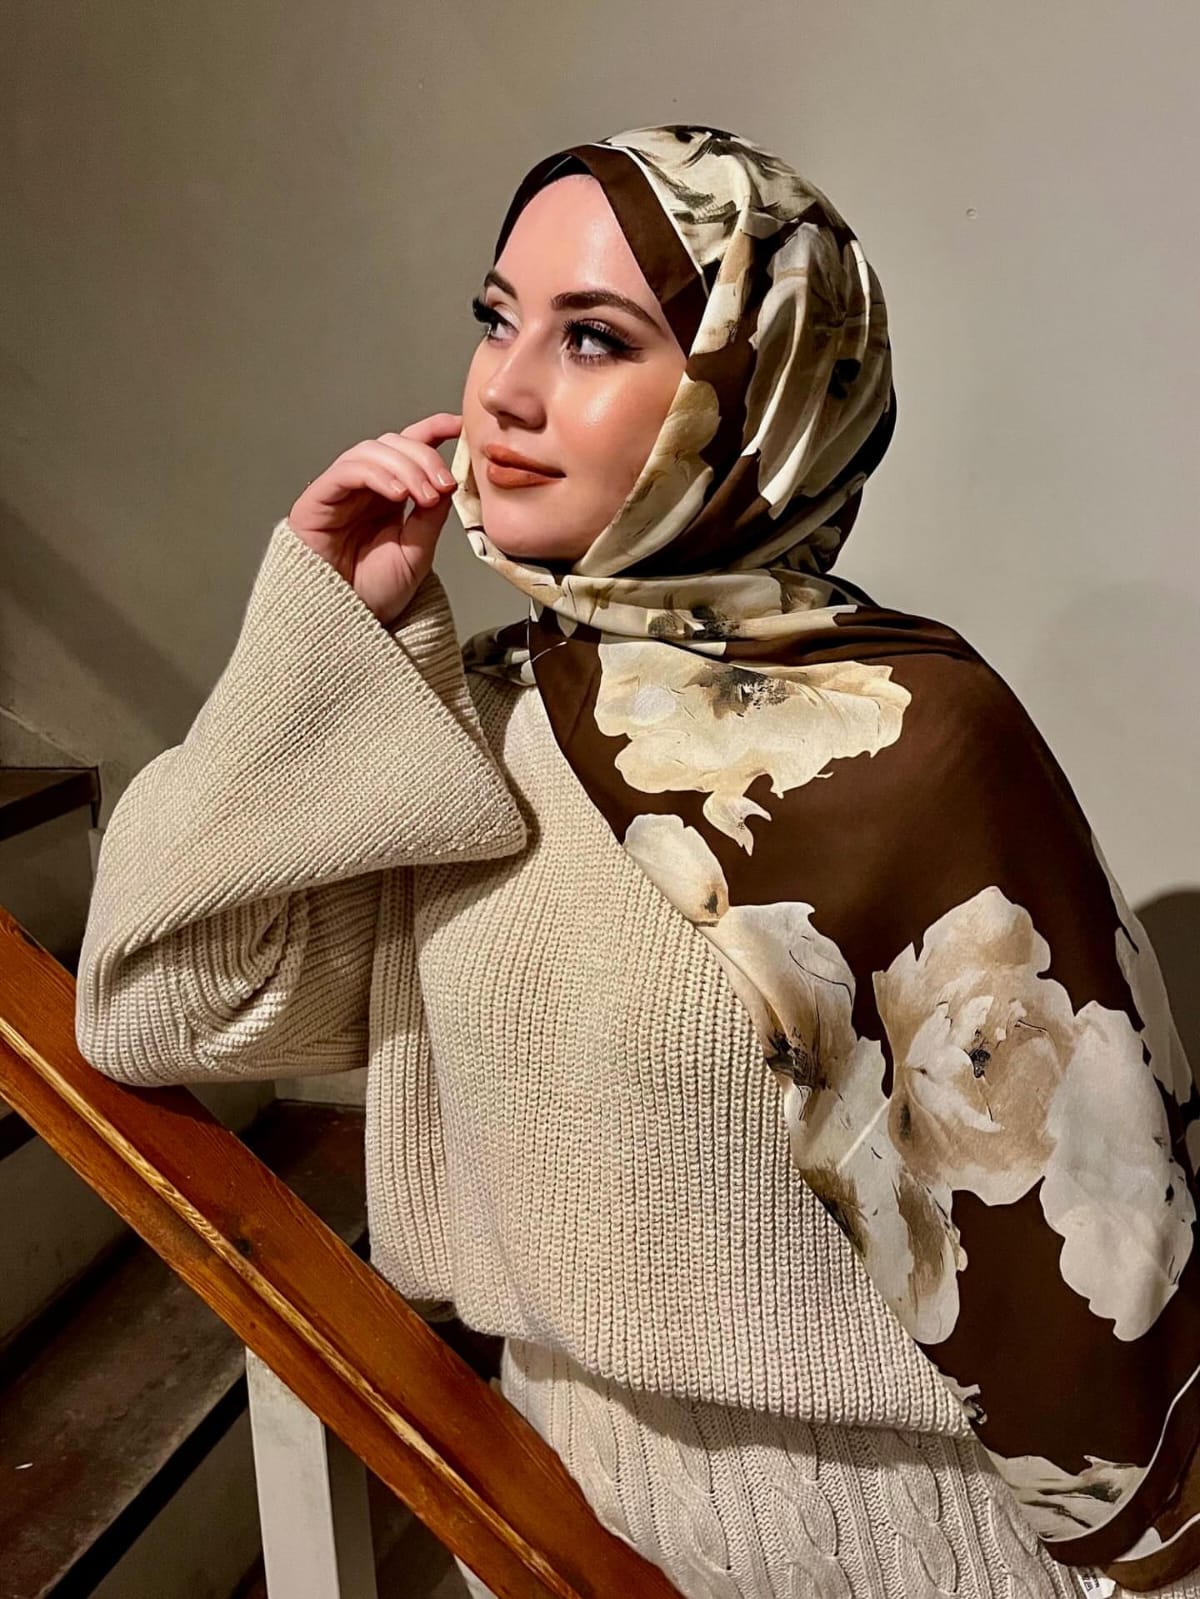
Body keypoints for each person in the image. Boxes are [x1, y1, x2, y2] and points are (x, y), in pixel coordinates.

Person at [75, 125, 1200, 1599]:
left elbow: (1106, 1256)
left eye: (595, 337)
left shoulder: (915, 735)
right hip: (543, 1520)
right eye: (496, 318)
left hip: (900, 1556)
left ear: (758, 393)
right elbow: (157, 1010)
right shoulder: (472, 722)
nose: (506, 388)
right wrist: (318, 634)